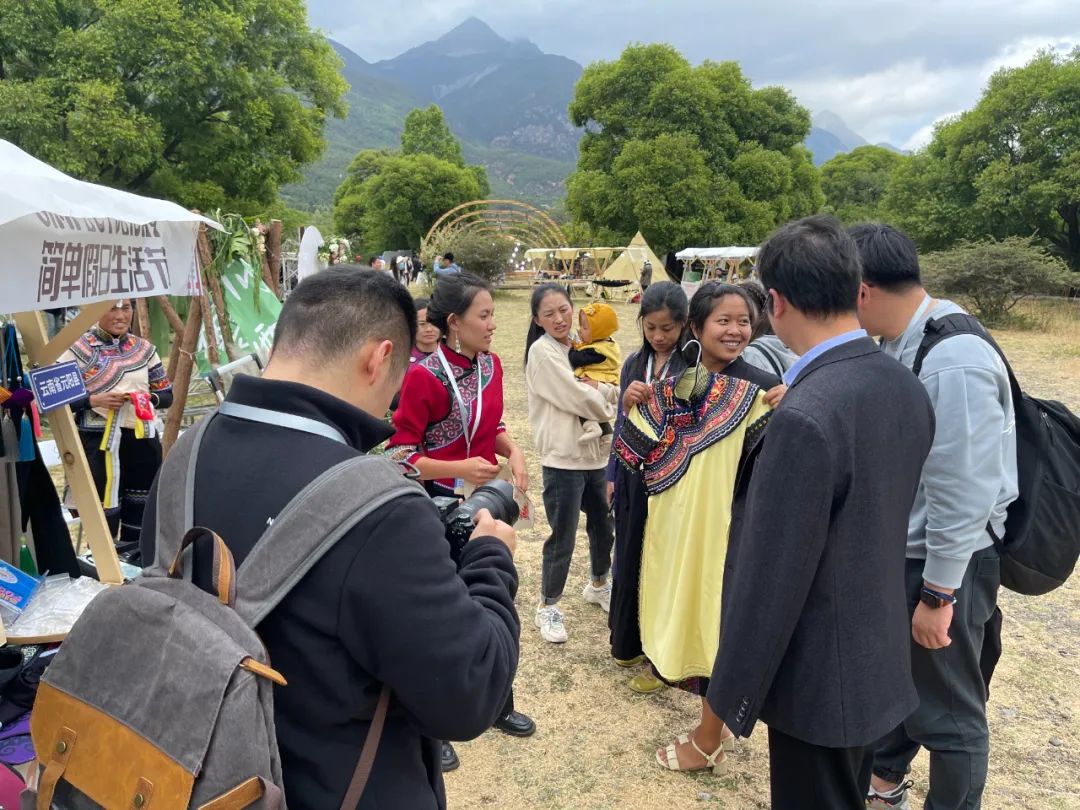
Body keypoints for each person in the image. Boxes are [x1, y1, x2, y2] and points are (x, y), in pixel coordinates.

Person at [139, 268, 520, 809]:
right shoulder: (381, 508)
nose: (389, 409)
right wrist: (491, 558)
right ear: (378, 359)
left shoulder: (186, 455)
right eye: (393, 391)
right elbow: (469, 694)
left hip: (193, 779)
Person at [704, 216, 935, 809]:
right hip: (874, 652)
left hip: (817, 677)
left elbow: (771, 572)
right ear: (855, 288)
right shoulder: (902, 383)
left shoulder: (806, 414)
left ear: (774, 303)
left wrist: (730, 692)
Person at [852, 224, 1016, 810]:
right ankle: (885, 780)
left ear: (862, 290)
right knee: (908, 681)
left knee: (951, 717)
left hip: (949, 560)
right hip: (920, 551)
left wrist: (939, 593)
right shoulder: (904, 339)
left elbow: (963, 490)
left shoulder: (952, 360)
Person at [617, 283, 776, 773]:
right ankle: (714, 721)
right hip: (677, 526)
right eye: (723, 320)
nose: (736, 330)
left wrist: (790, 406)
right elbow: (632, 449)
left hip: (732, 529)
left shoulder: (764, 387)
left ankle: (708, 741)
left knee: (719, 621)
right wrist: (631, 405)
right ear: (698, 326)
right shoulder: (677, 378)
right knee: (693, 614)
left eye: (744, 321)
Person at [388, 273, 535, 768]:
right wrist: (458, 468)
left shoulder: (491, 365)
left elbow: (493, 426)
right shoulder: (422, 376)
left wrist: (514, 453)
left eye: (493, 314)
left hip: (485, 501)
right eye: (484, 315)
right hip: (435, 506)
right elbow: (401, 455)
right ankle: (435, 727)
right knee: (440, 614)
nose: (493, 324)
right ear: (454, 322)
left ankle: (499, 702)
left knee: (496, 593)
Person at [607, 281, 689, 694]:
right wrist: (611, 474)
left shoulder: (692, 367)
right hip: (631, 474)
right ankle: (627, 642)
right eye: (651, 327)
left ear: (683, 325)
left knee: (661, 564)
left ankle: (660, 657)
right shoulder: (633, 364)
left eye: (667, 328)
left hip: (671, 479)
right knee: (629, 555)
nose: (659, 336)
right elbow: (621, 424)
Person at [525, 284, 618, 643]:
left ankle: (599, 583)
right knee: (562, 536)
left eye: (564, 309)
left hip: (597, 455)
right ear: (537, 320)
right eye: (549, 314)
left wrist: (606, 391)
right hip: (563, 458)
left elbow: (612, 380)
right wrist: (609, 399)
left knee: (603, 526)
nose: (559, 319)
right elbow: (578, 396)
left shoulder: (581, 345)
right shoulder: (542, 352)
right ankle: (548, 605)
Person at [60, 300, 172, 554]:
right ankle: (104, 566)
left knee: (141, 511)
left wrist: (144, 398)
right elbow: (55, 400)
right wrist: (93, 400)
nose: (120, 315)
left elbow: (166, 395)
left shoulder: (144, 350)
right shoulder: (76, 350)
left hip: (141, 440)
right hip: (98, 443)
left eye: (126, 308)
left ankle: (138, 562)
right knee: (103, 512)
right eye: (112, 308)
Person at [568, 301, 621, 443]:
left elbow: (574, 359)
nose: (580, 330)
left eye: (585, 327)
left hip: (598, 385)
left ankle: (591, 426)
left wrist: (573, 346)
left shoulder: (596, 351)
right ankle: (607, 434)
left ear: (599, 332)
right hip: (605, 383)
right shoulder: (608, 344)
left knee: (576, 398)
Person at [739, 280, 799, 377]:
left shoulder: (752, 355)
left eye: (744, 320)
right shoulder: (789, 346)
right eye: (725, 320)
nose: (733, 329)